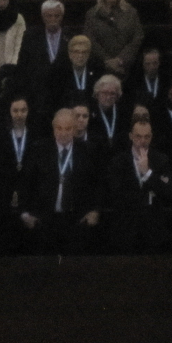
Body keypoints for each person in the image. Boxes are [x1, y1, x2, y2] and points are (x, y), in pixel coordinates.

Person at [20, 107, 102, 253]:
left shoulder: (88, 151)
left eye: (68, 129)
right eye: (59, 128)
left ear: (75, 128)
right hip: (44, 220)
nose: (63, 133)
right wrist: (25, 213)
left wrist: (95, 210)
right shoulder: (39, 150)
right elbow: (26, 183)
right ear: (53, 128)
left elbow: (96, 184)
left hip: (77, 220)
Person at [108, 117, 172, 252]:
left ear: (151, 137)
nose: (142, 141)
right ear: (131, 136)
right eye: (138, 136)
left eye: (146, 137)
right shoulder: (118, 161)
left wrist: (147, 173)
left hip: (153, 230)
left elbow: (167, 192)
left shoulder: (161, 160)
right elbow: (115, 193)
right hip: (126, 228)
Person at [17, 0, 68, 103]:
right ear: (43, 16)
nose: (53, 19)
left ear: (62, 17)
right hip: (37, 93)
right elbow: (22, 65)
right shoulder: (31, 36)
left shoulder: (70, 36)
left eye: (57, 16)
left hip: (63, 91)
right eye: (49, 16)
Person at [83, 0, 141, 76]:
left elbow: (137, 37)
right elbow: (90, 39)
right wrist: (107, 60)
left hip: (127, 66)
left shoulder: (131, 13)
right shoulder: (92, 14)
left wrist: (121, 59)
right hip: (101, 67)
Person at [49, 35, 100, 113]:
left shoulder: (97, 73)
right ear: (70, 54)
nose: (80, 56)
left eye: (84, 52)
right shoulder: (59, 74)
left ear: (89, 54)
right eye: (76, 52)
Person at [89, 74, 128, 153]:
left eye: (112, 93)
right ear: (97, 94)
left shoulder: (123, 113)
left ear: (117, 96)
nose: (108, 97)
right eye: (104, 93)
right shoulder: (90, 112)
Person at [126, 45, 163, 112]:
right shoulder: (134, 82)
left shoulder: (166, 81)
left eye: (155, 63)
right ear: (142, 64)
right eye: (147, 64)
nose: (151, 67)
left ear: (159, 63)